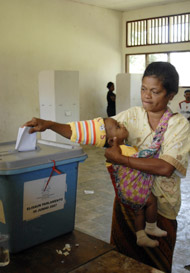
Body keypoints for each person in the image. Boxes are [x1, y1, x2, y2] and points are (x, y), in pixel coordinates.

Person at [23, 62, 190, 273]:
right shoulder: (132, 116)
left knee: (154, 265)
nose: (146, 96)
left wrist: (123, 160)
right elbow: (95, 129)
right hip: (127, 201)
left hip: (161, 210)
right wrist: (50, 125)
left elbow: (166, 167)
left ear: (171, 95)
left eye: (155, 91)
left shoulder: (179, 126)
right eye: (143, 89)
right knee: (120, 261)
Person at [69, 116, 167, 247]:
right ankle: (151, 226)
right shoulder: (120, 151)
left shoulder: (123, 148)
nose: (122, 124)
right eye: (117, 126)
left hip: (126, 193)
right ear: (111, 140)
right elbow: (145, 156)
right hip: (134, 189)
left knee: (139, 211)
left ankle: (140, 235)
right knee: (151, 201)